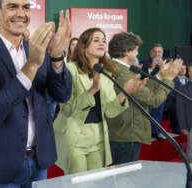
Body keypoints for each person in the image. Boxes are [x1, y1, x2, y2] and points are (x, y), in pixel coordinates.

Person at [0, 0, 72, 187]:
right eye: (12, 7)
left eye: (26, 7)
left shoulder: (36, 48)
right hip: (1, 164)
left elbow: (62, 95)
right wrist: (32, 65)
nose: (21, 13)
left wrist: (57, 56)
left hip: (39, 161)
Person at [53, 28, 146, 174]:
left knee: (96, 182)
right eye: (96, 40)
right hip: (74, 137)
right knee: (79, 185)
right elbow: (67, 109)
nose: (101, 43)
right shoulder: (70, 70)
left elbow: (110, 110)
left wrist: (124, 93)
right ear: (83, 46)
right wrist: (92, 90)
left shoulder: (107, 72)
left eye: (104, 40)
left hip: (98, 138)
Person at [107, 32, 180, 165]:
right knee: (126, 179)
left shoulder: (120, 69)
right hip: (127, 134)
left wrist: (161, 75)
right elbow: (153, 100)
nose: (137, 54)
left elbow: (144, 90)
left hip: (126, 132)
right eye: (136, 50)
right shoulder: (123, 74)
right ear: (127, 51)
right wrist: (168, 79)